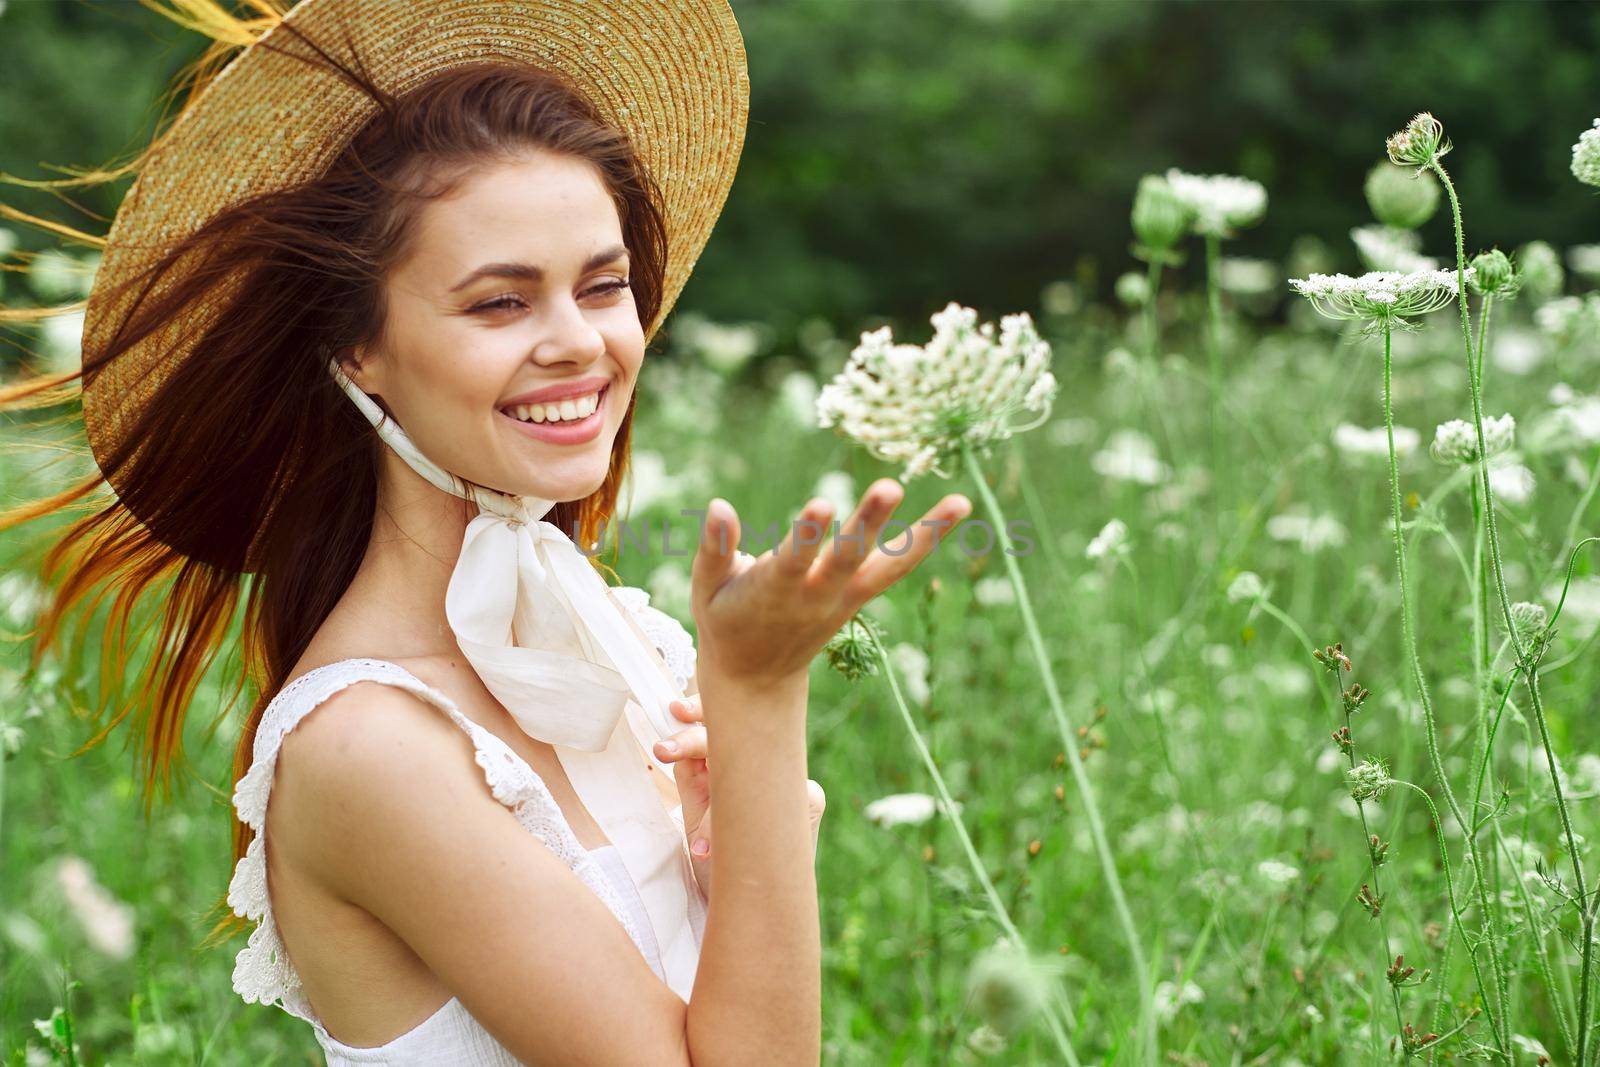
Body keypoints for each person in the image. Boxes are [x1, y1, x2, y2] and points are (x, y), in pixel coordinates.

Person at [0, 1, 972, 1064]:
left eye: (603, 286)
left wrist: (741, 804)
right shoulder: (368, 746)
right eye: (500, 303)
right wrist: (760, 697)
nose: (581, 343)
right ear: (358, 350)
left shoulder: (610, 639)